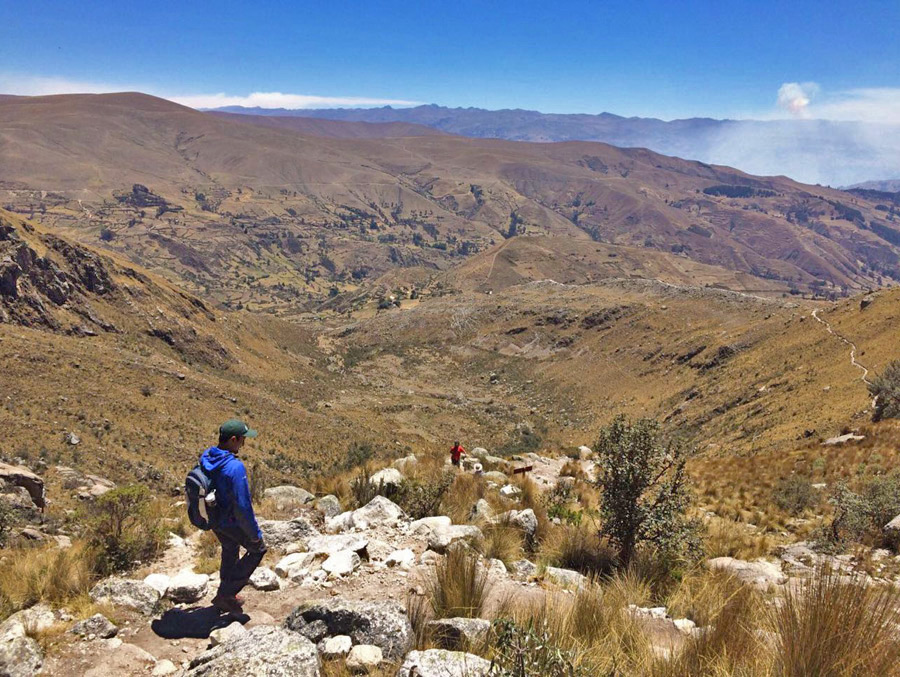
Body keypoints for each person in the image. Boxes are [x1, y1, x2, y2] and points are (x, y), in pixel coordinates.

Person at [200, 419, 266, 614]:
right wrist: (254, 533)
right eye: (242, 440)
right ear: (234, 440)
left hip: (214, 517)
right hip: (230, 520)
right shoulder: (234, 468)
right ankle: (226, 593)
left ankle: (226, 595)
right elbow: (243, 506)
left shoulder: (207, 457)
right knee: (258, 549)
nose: (243, 444)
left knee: (230, 548)